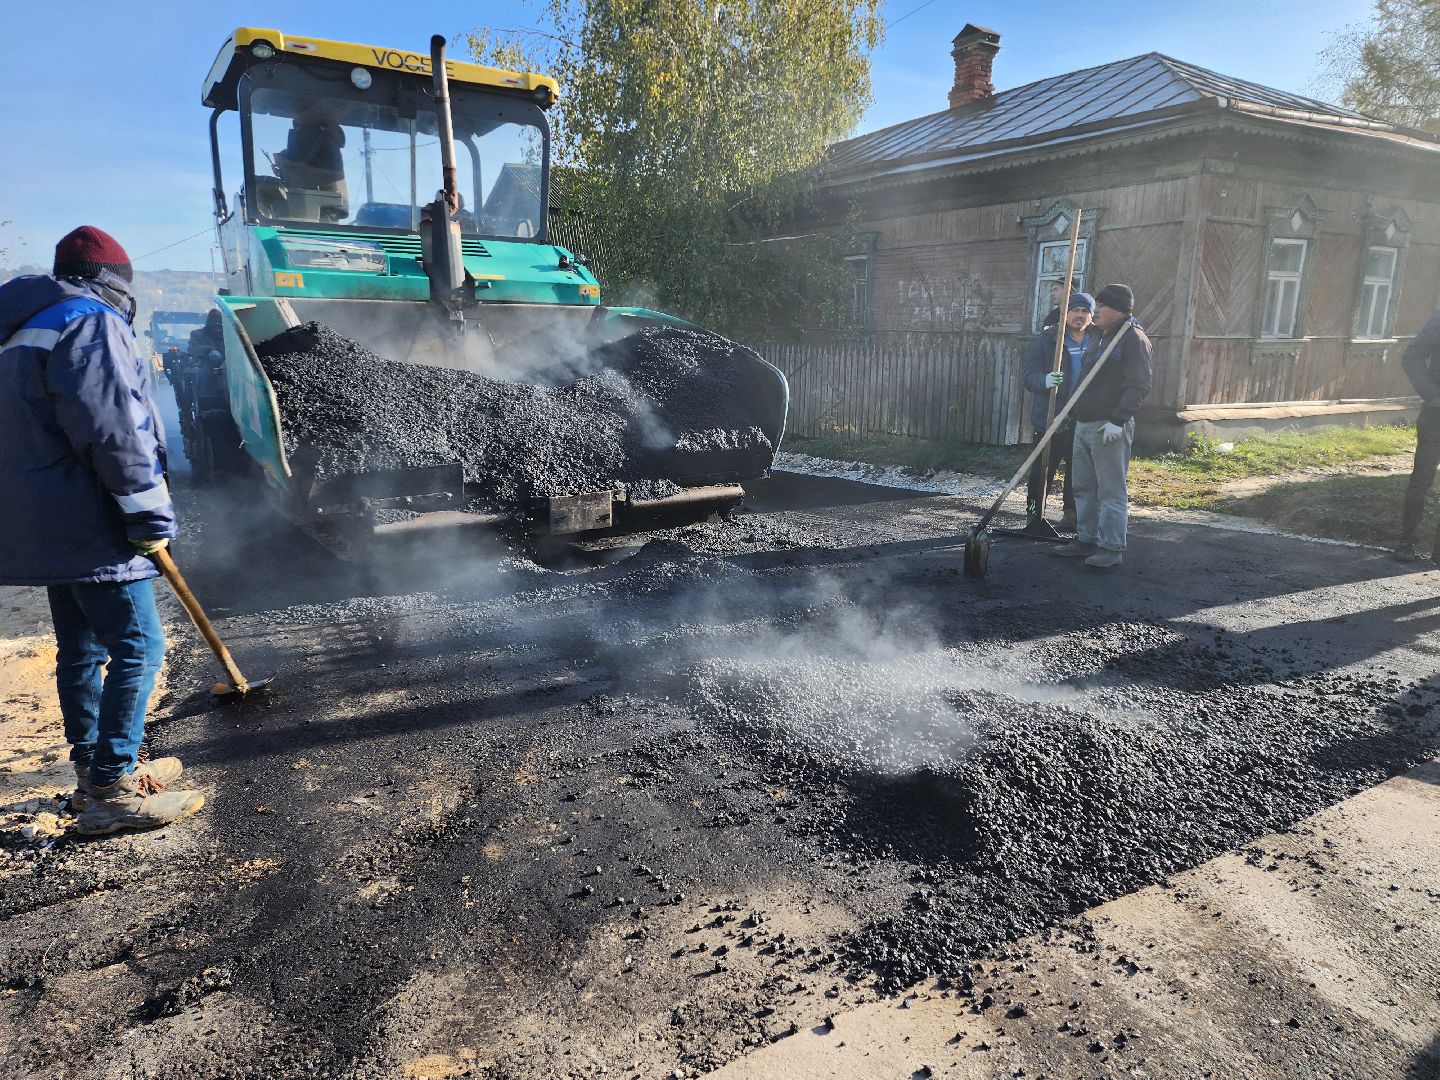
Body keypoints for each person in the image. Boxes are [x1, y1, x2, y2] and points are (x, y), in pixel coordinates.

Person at [0, 226, 204, 835]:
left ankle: (93, 769)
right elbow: (115, 427)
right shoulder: (88, 322)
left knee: (83, 649)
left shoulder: (20, 327)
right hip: (91, 517)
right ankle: (113, 790)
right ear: (115, 280)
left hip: (42, 519)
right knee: (140, 645)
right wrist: (146, 512)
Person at [1052, 283, 1153, 569]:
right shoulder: (1098, 336)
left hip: (1109, 426)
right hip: (1083, 423)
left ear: (1119, 310)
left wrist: (1118, 420)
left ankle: (1111, 546)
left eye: (1102, 306)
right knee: (1083, 486)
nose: (1096, 312)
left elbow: (1139, 385)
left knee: (1110, 490)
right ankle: (1087, 538)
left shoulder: (1133, 338)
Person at [1023, 291, 1094, 530]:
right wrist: (1045, 380)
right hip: (1051, 416)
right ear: (1066, 313)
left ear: (1092, 316)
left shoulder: (1097, 340)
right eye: (1075, 310)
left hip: (1082, 417)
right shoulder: (1049, 340)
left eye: (1085, 311)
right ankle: (1034, 514)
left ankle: (1071, 515)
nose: (1080, 316)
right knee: (1042, 470)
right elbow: (1029, 376)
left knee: (1078, 470)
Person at [1397, 308, 1440, 561]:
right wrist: (1432, 394)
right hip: (1437, 416)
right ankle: (1406, 542)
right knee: (1422, 478)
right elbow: (1412, 356)